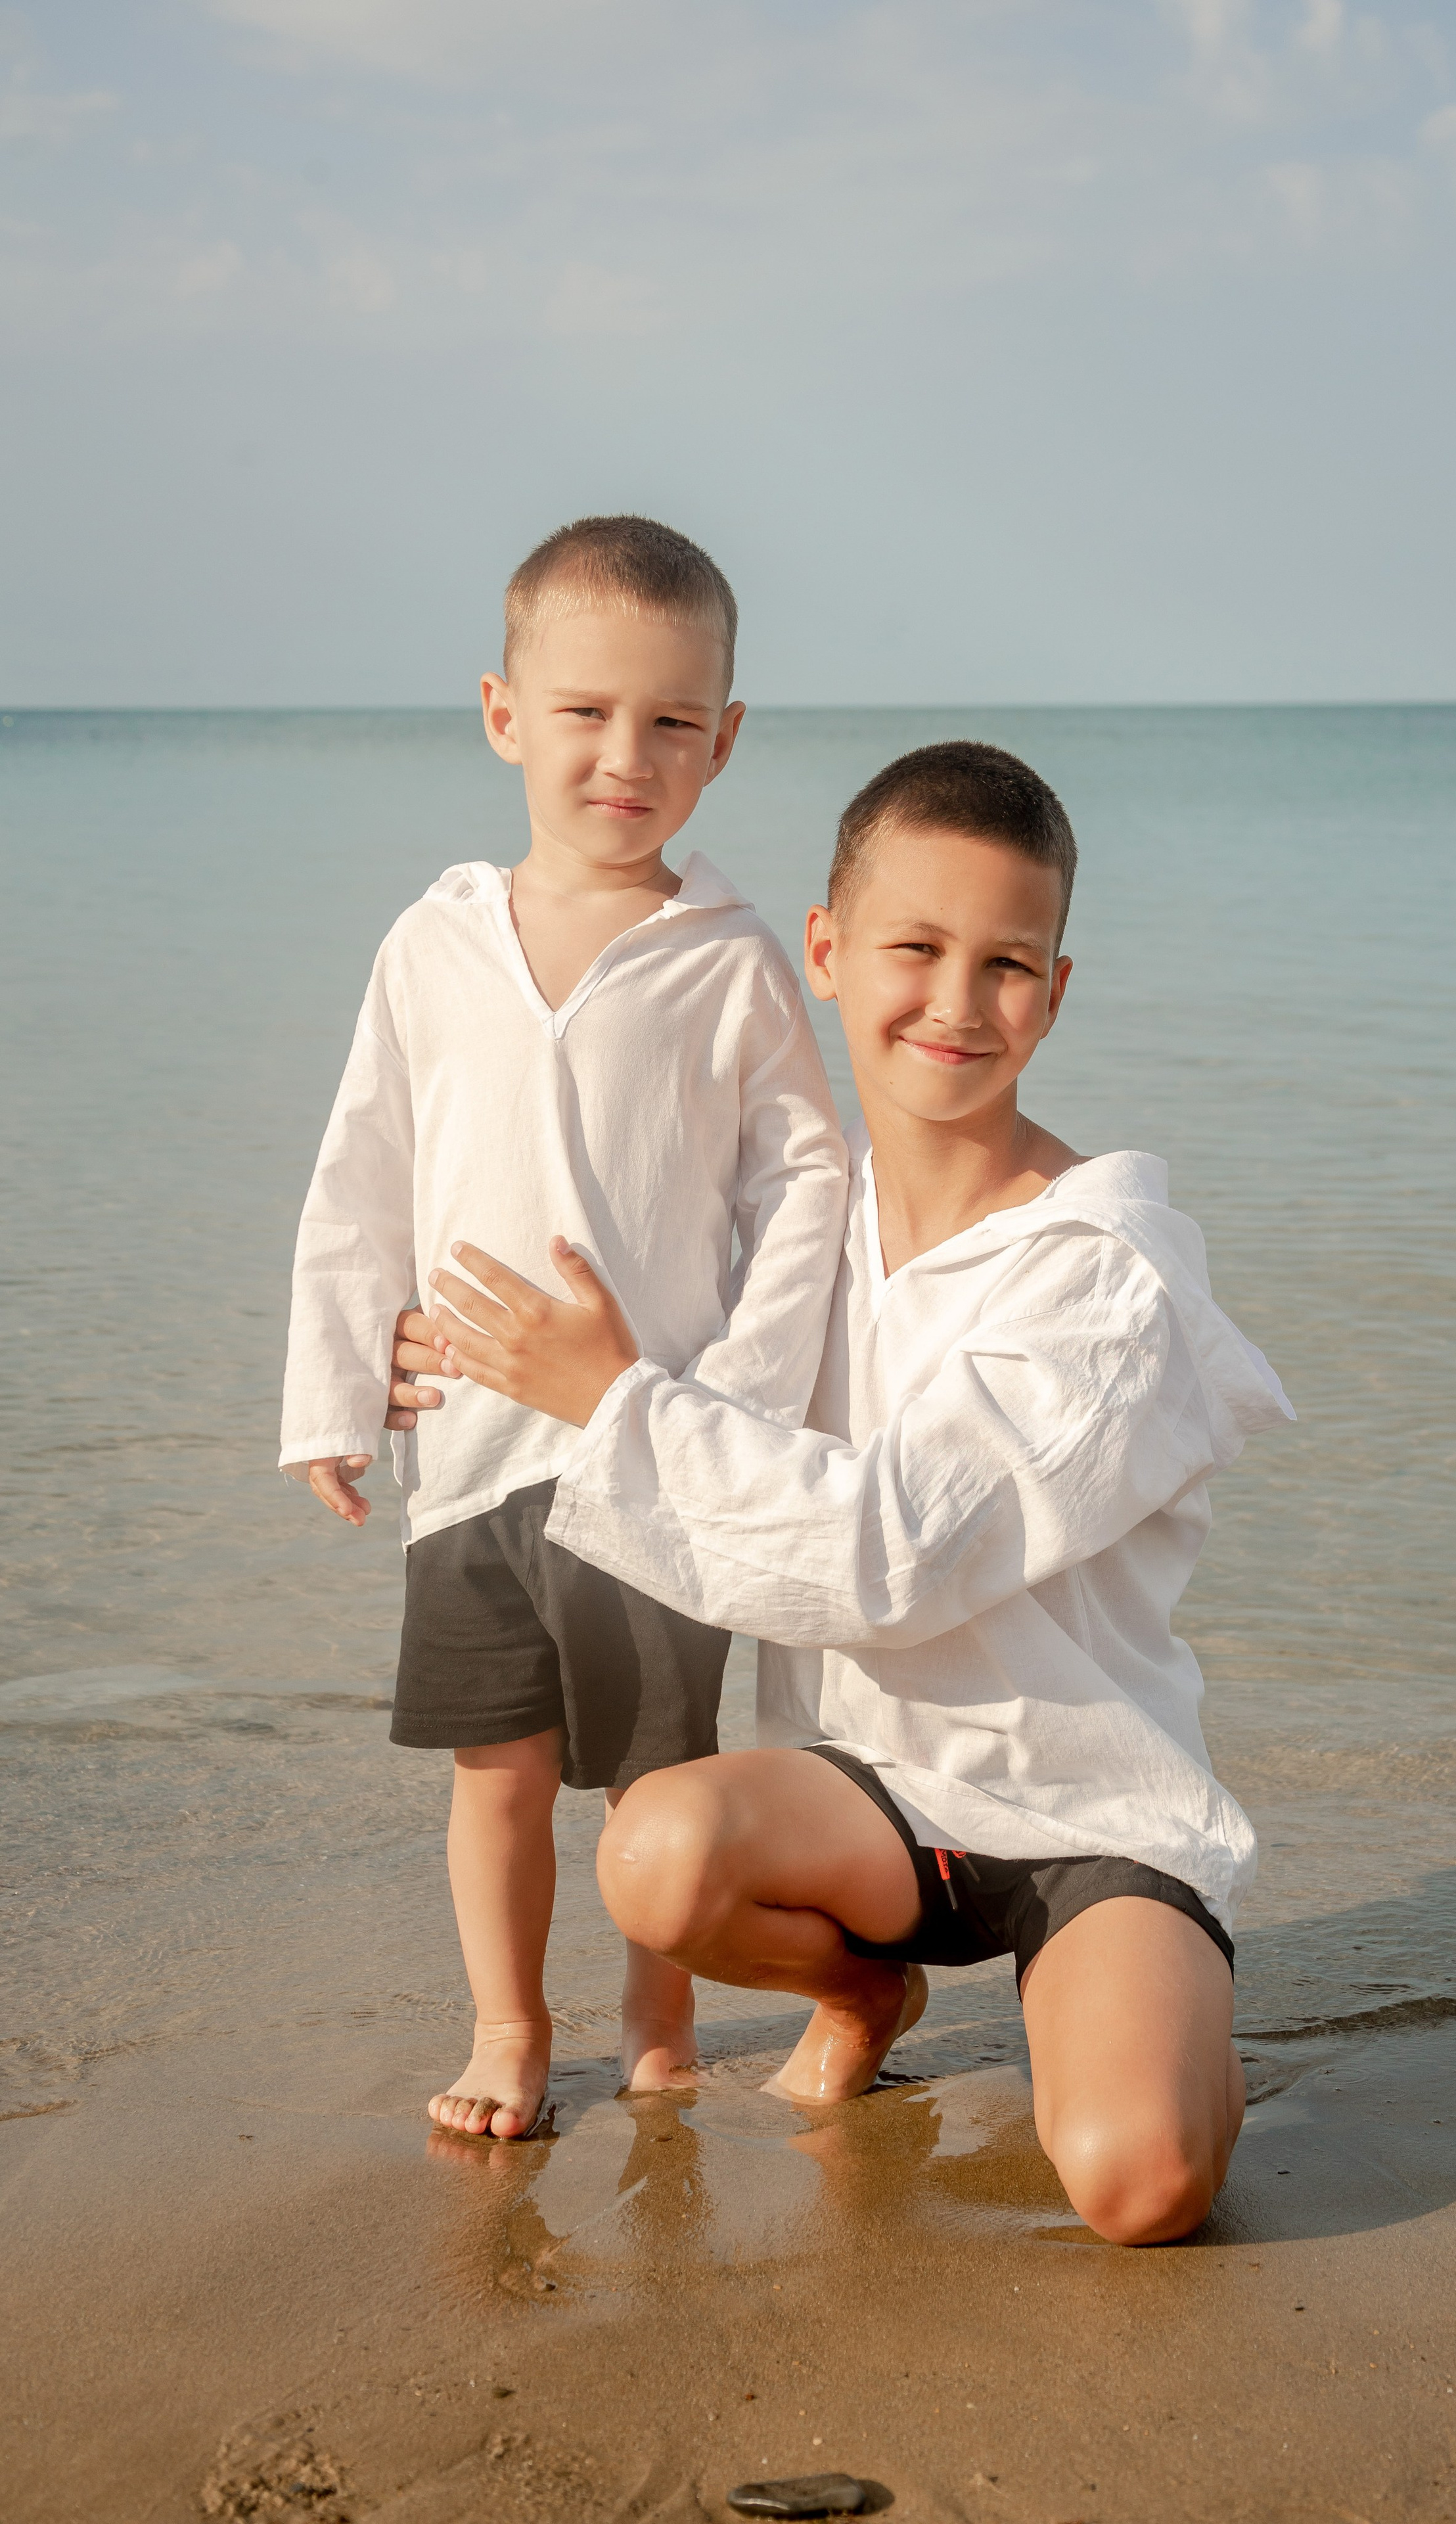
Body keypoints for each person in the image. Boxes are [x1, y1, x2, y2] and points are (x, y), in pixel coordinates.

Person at [404, 739, 1293, 2242]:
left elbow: (891, 1550)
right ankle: (861, 1987)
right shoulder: (793, 1224)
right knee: (657, 1855)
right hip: (865, 1799)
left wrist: (607, 1398)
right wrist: (436, 1349)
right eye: (915, 948)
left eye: (1006, 963)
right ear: (823, 954)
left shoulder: (1104, 1274)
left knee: (1137, 2185)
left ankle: (1145, 2013)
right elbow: (623, 1332)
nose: (954, 1004)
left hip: (1083, 1809)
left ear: (1056, 993)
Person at [279, 516, 848, 2136]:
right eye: (586, 712)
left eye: (674, 722)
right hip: (467, 1449)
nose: (626, 755)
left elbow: (802, 1183)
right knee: (496, 1767)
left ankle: (656, 2015)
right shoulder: (433, 943)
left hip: (651, 1455)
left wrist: (732, 1397)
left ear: (724, 741)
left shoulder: (728, 958)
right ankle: (509, 2029)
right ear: (501, 711)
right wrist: (333, 1385)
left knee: (657, 1780)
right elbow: (361, 1169)